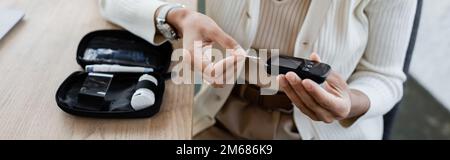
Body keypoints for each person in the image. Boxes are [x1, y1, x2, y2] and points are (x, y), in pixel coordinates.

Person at [99, 0, 418, 140]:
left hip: (322, 133)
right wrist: (178, 17)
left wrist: (349, 103)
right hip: (219, 117)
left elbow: (385, 77)